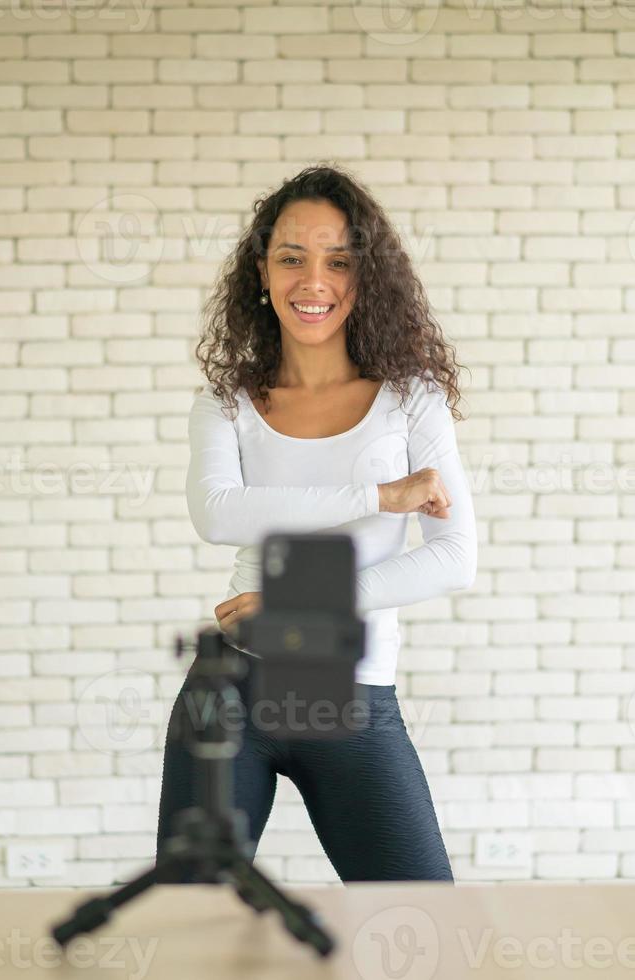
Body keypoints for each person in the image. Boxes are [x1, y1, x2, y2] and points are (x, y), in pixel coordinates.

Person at [155, 163, 477, 885]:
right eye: (292, 259)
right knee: (190, 926)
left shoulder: (409, 399)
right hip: (233, 691)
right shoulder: (229, 401)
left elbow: (454, 557)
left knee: (426, 926)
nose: (314, 282)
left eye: (339, 261)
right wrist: (378, 496)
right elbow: (218, 513)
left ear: (367, 278)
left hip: (354, 692)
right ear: (261, 273)